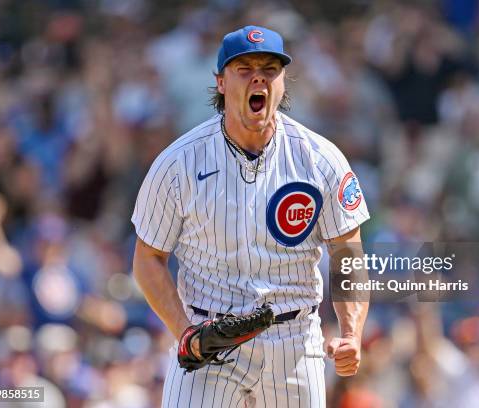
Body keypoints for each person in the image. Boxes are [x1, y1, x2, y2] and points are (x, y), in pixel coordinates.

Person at [131, 25, 370, 407]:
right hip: (209, 340)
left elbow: (347, 253)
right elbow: (148, 258)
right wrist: (184, 332)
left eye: (270, 69)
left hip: (293, 339)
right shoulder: (179, 162)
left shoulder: (319, 158)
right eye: (244, 69)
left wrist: (351, 333)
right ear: (221, 82)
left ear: (283, 82)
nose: (259, 77)